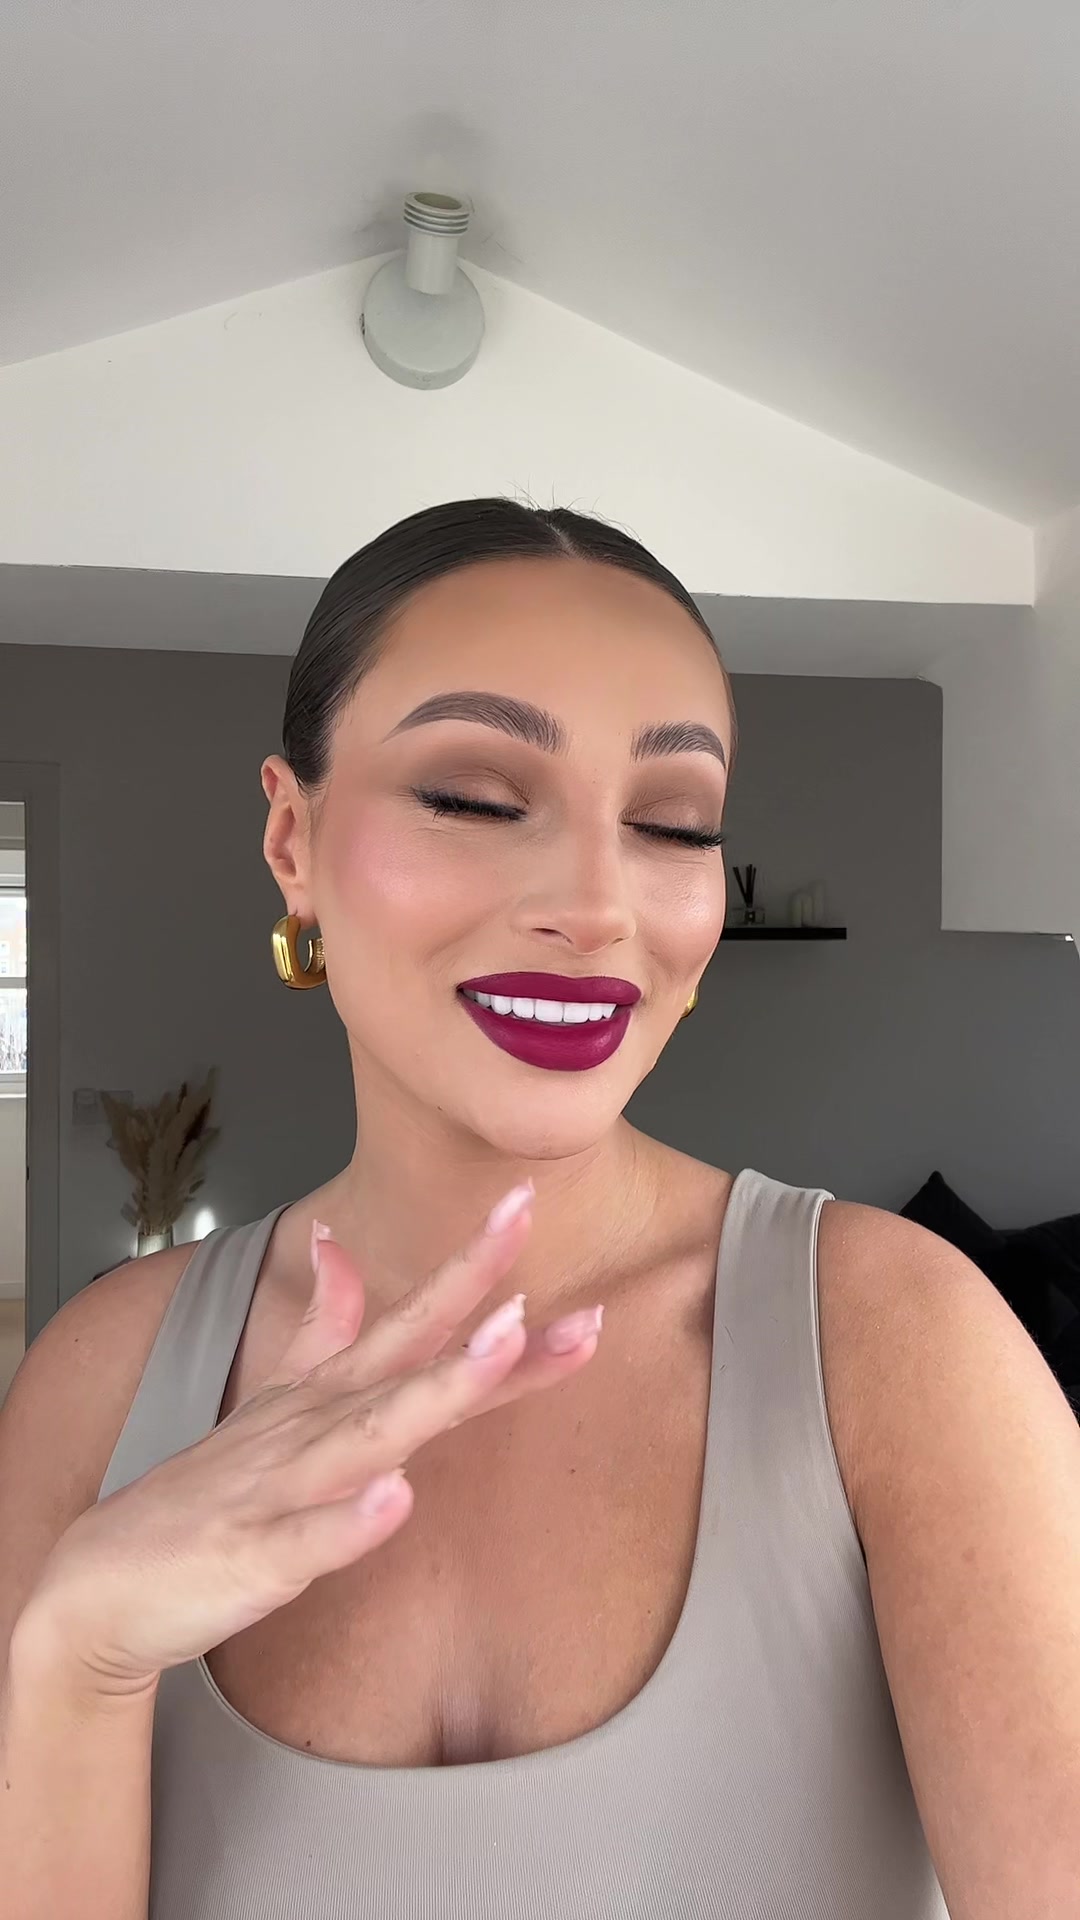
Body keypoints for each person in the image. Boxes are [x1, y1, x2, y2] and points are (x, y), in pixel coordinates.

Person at [1, 500, 1078, 1920]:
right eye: (471, 797)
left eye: (673, 824)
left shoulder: (900, 1335)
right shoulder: (101, 1378)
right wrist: (78, 1658)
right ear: (293, 839)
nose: (597, 904)